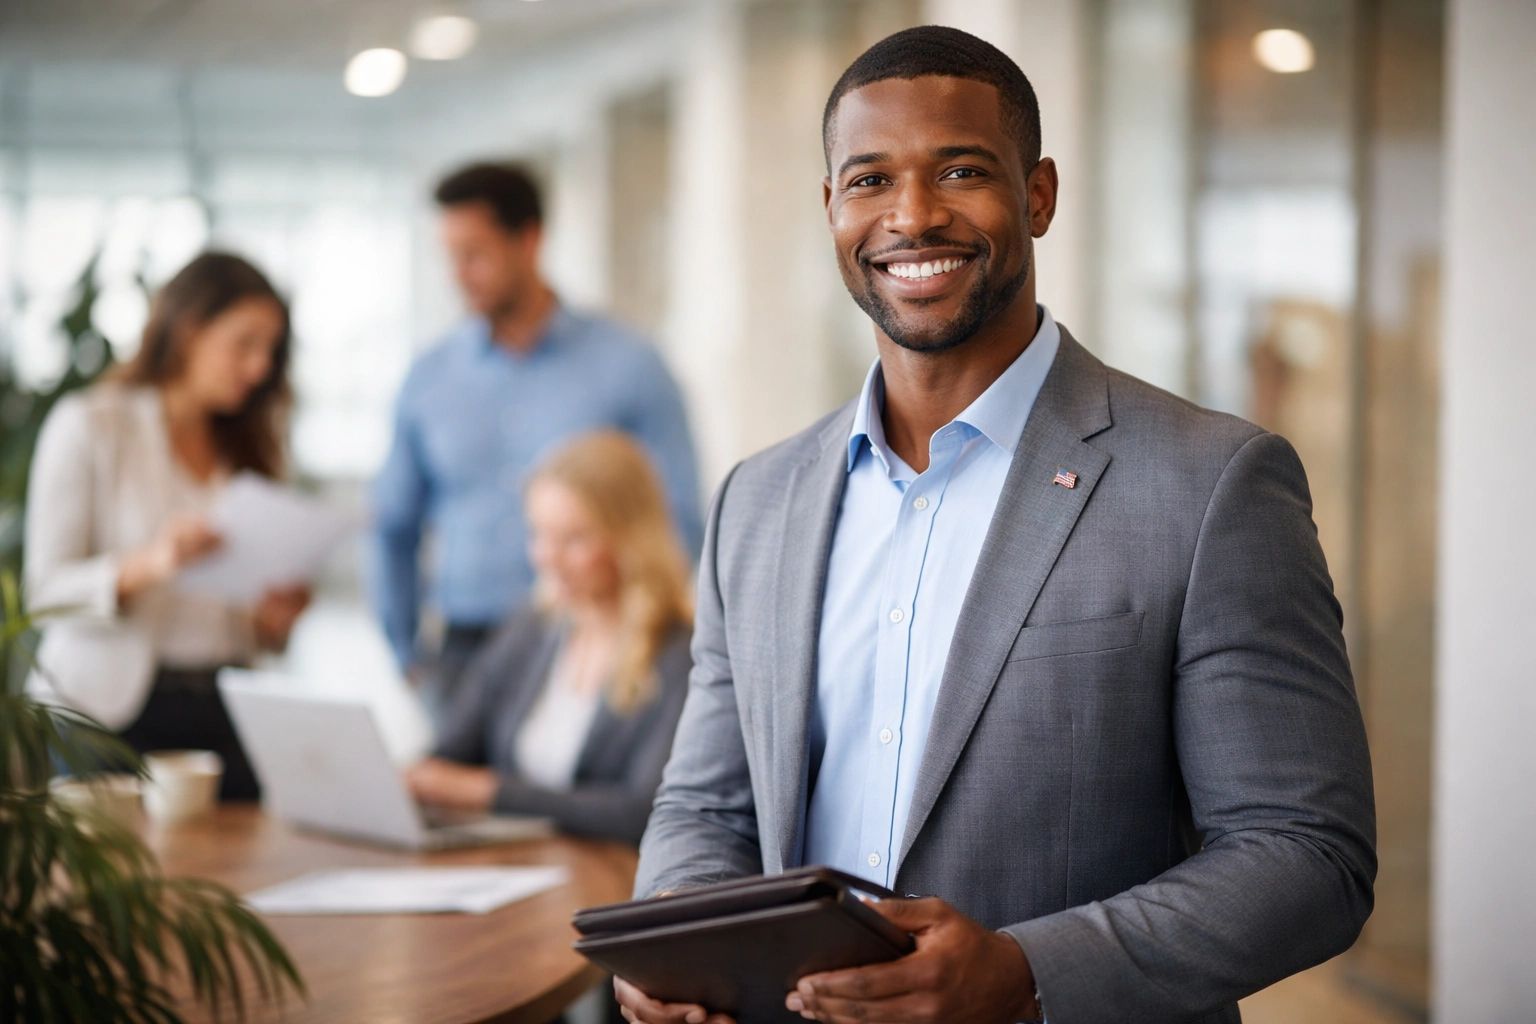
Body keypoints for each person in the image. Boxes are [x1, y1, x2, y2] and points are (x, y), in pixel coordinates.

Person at [617, 25, 1375, 1024]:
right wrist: (677, 933)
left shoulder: (1210, 483)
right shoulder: (757, 500)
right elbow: (706, 805)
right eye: (871, 179)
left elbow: (1307, 854)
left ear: (1040, 193)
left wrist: (1023, 969)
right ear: (832, 207)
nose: (913, 216)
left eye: (961, 171)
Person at [372, 162, 703, 708]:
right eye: (450, 257)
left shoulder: (629, 366)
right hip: (462, 653)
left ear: (528, 240)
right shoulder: (428, 378)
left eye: (474, 254)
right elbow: (393, 525)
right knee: (450, 789)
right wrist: (406, 653)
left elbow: (677, 517)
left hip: (587, 648)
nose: (459, 274)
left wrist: (643, 638)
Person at [26, 252, 309, 801]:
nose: (258, 368)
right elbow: (44, 592)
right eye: (244, 344)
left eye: (270, 352)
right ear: (189, 330)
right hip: (107, 707)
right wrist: (154, 563)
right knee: (123, 878)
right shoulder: (91, 424)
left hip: (223, 706)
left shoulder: (252, 448)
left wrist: (273, 620)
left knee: (234, 878)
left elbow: (246, 623)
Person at [404, 431, 693, 845]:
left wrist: (492, 793)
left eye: (574, 539)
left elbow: (642, 809)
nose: (547, 559)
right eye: (539, 534)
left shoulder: (680, 654)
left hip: (609, 878)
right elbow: (450, 752)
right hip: (518, 866)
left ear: (629, 540)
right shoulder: (532, 629)